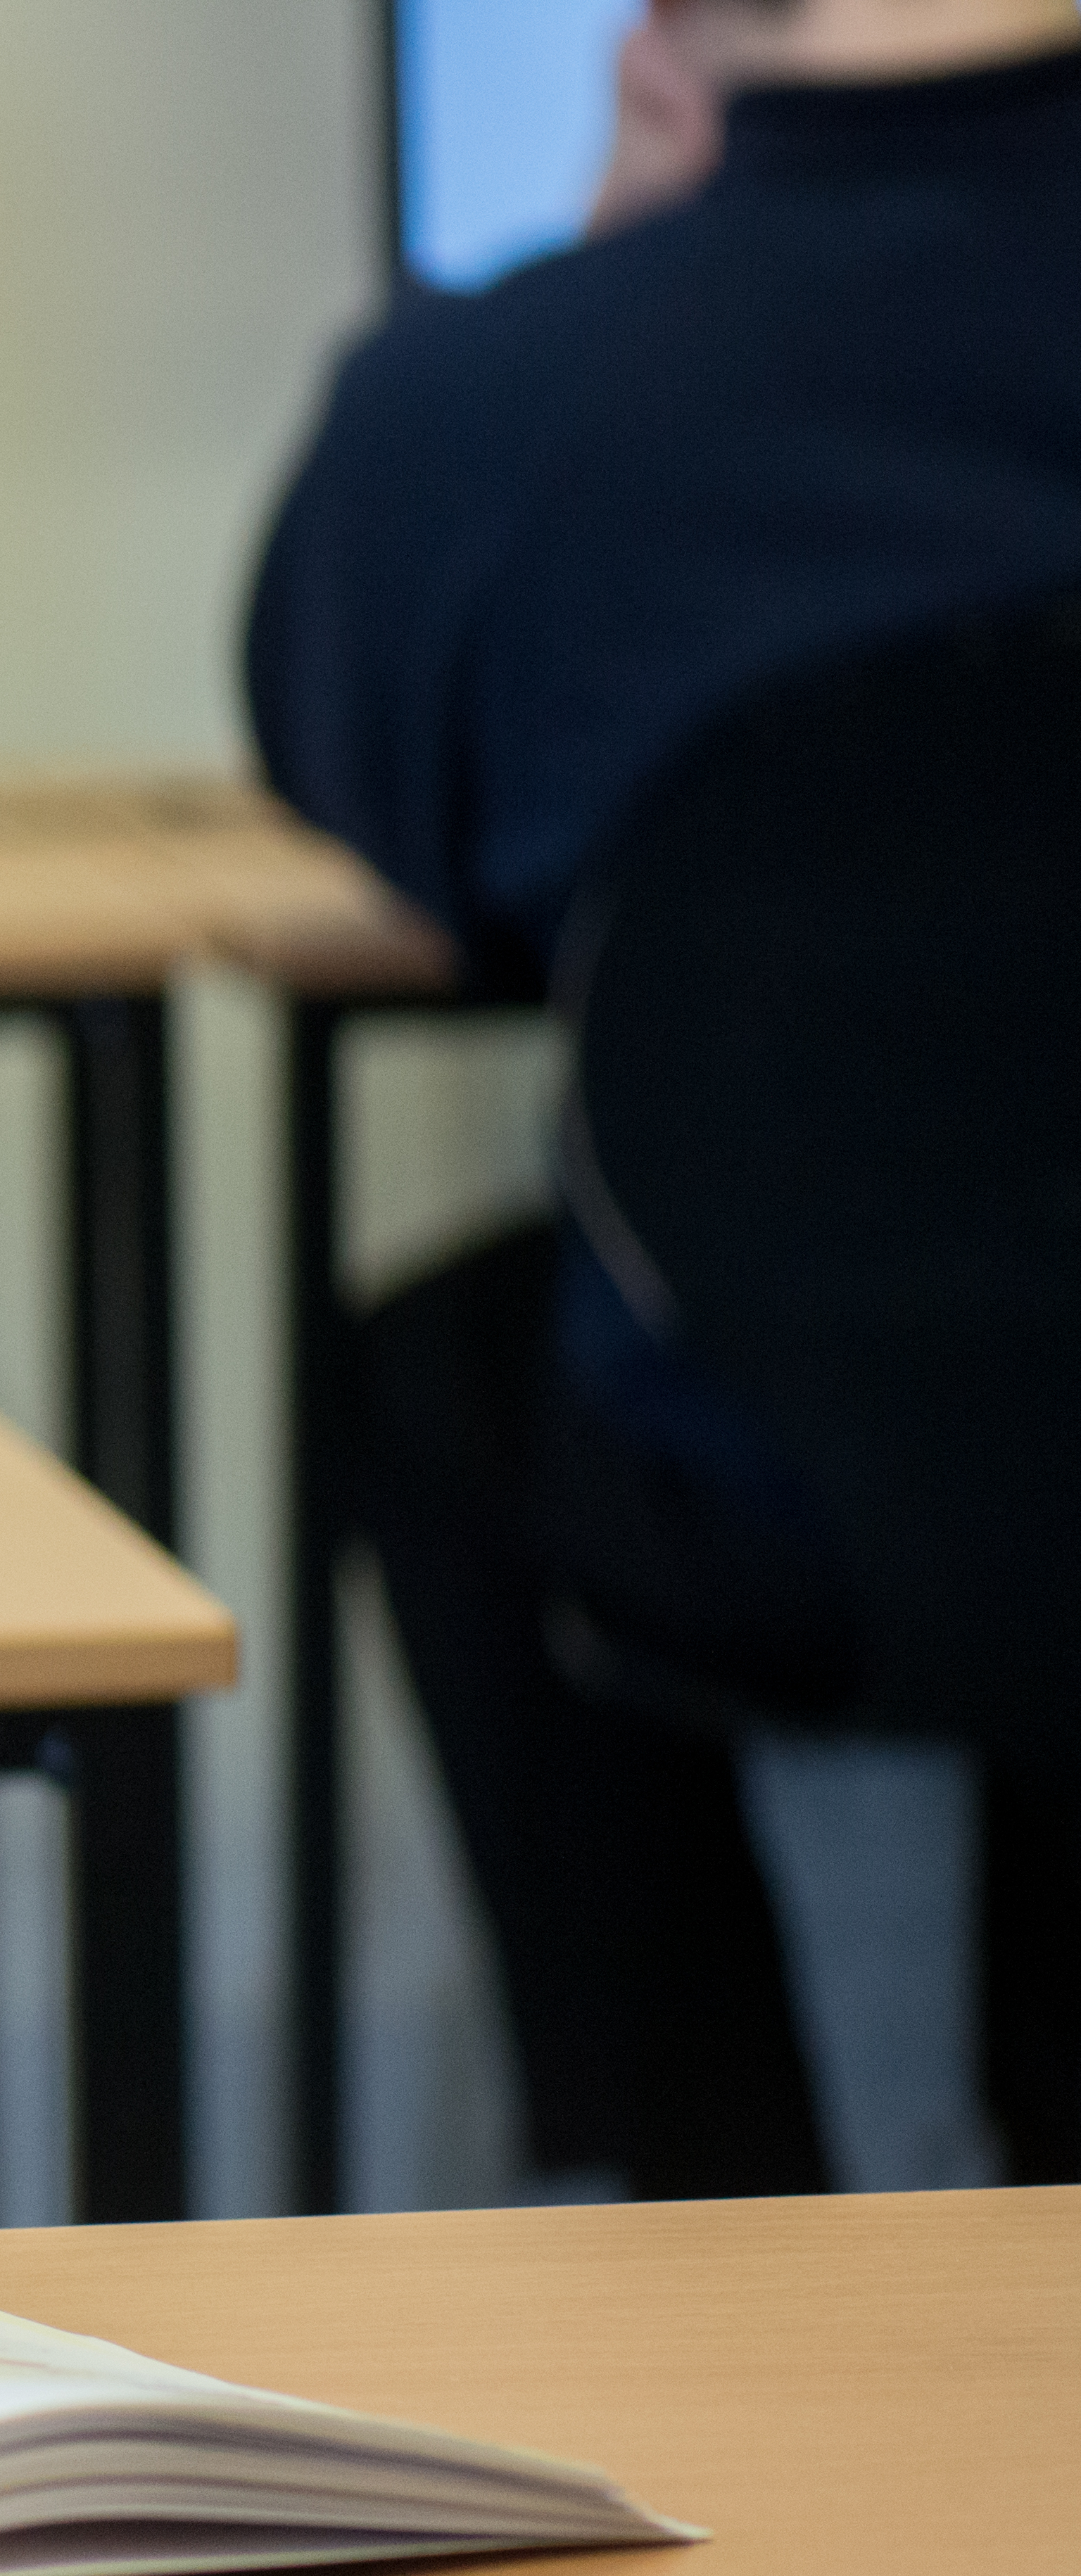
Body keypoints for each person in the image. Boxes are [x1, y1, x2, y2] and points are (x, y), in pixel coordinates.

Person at [245, 0, 1081, 2195]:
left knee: (447, 1375)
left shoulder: (506, 405)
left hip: (790, 1501)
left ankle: (707, 2191)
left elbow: (387, 804)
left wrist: (622, 252)